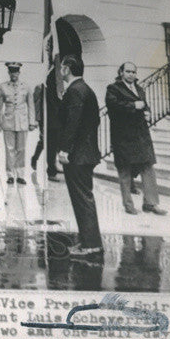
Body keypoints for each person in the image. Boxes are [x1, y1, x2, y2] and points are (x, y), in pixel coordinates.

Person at [104, 62, 167, 215]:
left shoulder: (139, 88)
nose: (131, 74)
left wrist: (148, 111)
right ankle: (128, 205)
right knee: (125, 171)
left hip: (141, 135)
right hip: (124, 137)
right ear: (121, 72)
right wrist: (133, 106)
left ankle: (151, 203)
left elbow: (144, 105)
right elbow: (113, 106)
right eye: (128, 71)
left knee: (148, 167)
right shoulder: (113, 88)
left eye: (133, 72)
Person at [57, 55, 103, 258]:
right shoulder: (86, 89)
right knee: (83, 197)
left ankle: (91, 244)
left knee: (82, 199)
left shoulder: (75, 91)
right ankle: (88, 241)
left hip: (78, 155)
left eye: (61, 68)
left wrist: (65, 149)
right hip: (86, 152)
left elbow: (72, 123)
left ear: (67, 69)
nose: (60, 71)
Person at [0, 62, 37, 185]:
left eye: (16, 72)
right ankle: (10, 175)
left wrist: (31, 122)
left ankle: (20, 174)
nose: (14, 74)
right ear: (9, 73)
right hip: (8, 121)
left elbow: (31, 106)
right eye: (12, 72)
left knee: (21, 149)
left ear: (19, 73)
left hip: (22, 122)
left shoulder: (26, 87)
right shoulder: (2, 87)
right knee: (9, 149)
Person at [30, 65, 62, 181]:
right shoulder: (42, 89)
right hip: (46, 121)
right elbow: (37, 107)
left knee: (52, 144)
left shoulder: (58, 91)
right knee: (46, 142)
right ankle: (38, 161)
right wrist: (38, 122)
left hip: (56, 121)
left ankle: (52, 166)